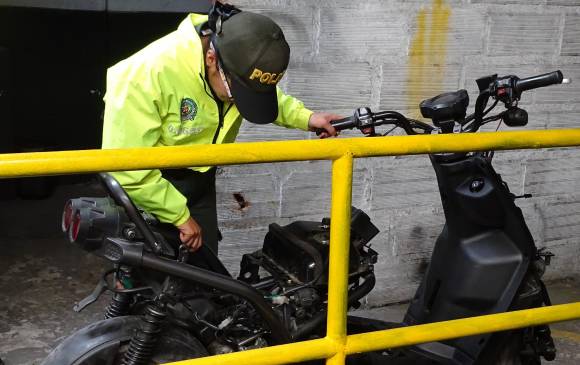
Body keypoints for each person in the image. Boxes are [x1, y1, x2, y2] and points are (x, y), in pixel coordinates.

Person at [101, 3, 339, 255]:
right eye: (237, 93)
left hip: (201, 177)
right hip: (147, 185)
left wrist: (307, 118)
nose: (239, 100)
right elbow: (126, 167)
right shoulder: (144, 75)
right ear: (211, 59)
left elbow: (258, 91)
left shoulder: (234, 65)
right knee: (149, 278)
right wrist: (179, 216)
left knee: (205, 269)